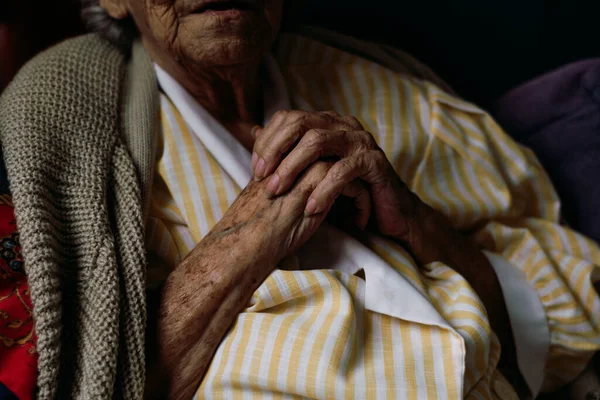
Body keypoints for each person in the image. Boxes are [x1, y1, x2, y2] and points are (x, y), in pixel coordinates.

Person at [0, 0, 598, 399]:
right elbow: (78, 378)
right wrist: (246, 239)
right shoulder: (63, 136)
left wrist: (417, 222)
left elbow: (563, 300)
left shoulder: (404, 101)